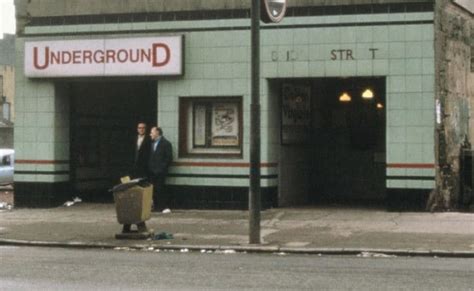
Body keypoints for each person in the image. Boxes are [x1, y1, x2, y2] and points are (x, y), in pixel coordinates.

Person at [148, 126, 173, 209]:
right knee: (153, 189)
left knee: (160, 188)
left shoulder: (166, 144)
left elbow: (168, 158)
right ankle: (155, 206)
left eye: (152, 132)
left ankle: (162, 206)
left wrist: (161, 169)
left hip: (160, 172)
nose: (150, 134)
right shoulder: (152, 144)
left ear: (157, 133)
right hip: (152, 171)